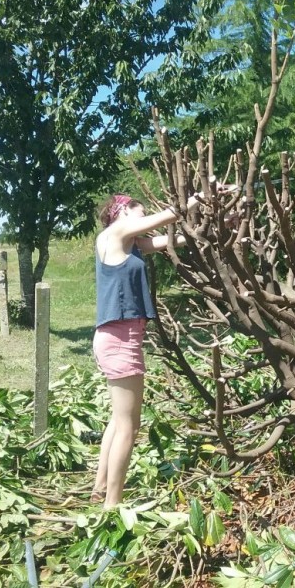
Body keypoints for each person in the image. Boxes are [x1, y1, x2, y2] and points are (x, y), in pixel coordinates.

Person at [91, 191, 203, 508]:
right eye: (141, 215)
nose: (145, 223)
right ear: (122, 212)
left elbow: (168, 240)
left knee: (118, 419)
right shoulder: (116, 232)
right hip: (119, 339)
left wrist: (208, 229)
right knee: (130, 424)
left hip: (116, 336)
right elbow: (169, 216)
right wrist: (199, 196)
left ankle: (100, 488)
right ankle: (112, 506)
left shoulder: (127, 243)